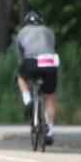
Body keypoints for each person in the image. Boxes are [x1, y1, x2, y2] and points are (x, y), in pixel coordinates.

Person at [15, 11, 59, 146]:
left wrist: (22, 66)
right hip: (50, 63)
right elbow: (52, 47)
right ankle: (49, 132)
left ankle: (28, 101)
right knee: (49, 97)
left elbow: (20, 56)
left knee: (20, 77)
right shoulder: (49, 31)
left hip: (32, 62)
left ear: (26, 22)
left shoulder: (22, 32)